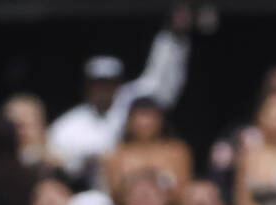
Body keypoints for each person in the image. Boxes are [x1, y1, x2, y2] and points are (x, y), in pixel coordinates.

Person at [47, 8, 191, 189]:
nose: (103, 90)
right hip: (91, 194)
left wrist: (173, 34)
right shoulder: (68, 125)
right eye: (98, 84)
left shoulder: (129, 101)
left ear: (119, 84)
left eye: (109, 84)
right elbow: (55, 160)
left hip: (134, 191)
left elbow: (161, 80)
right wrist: (84, 159)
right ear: (86, 87)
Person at [103, 97, 193, 205]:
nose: (145, 122)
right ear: (129, 121)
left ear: (160, 120)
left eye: (150, 116)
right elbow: (114, 193)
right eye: (140, 116)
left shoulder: (177, 152)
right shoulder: (115, 155)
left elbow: (183, 189)